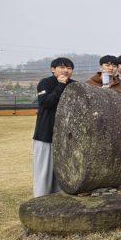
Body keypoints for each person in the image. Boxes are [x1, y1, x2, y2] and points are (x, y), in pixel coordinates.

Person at [33, 57, 75, 197]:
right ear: (53, 69)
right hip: (45, 134)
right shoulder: (45, 83)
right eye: (62, 67)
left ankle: (61, 197)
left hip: (67, 136)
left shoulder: (75, 85)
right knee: (44, 170)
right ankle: (41, 198)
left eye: (69, 68)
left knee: (64, 170)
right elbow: (46, 103)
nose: (66, 70)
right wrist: (61, 86)